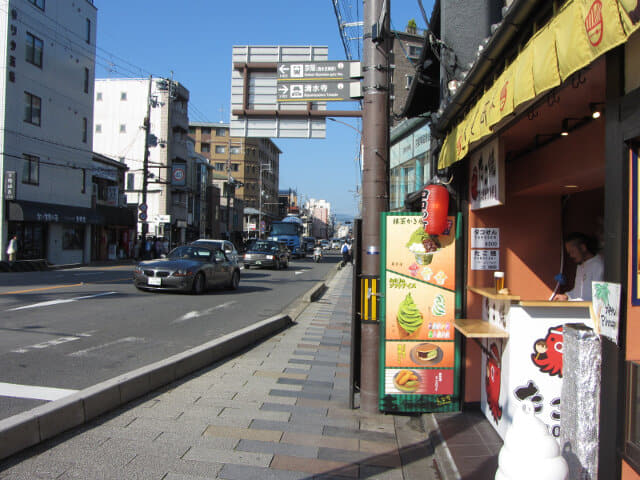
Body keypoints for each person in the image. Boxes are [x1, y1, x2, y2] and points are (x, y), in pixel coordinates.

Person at [553, 232, 604, 301]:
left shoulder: (598, 265)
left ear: (583, 248)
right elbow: (578, 291)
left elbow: (597, 297)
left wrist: (571, 301)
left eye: (572, 252)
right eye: (569, 253)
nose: (571, 256)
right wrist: (567, 296)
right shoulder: (580, 266)